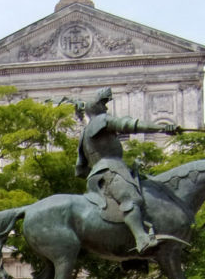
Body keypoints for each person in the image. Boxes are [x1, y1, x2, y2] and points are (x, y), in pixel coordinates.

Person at [74, 86, 181, 254]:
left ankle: (130, 256)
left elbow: (80, 169)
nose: (106, 108)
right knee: (131, 200)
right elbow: (129, 124)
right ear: (98, 108)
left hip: (97, 176)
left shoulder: (84, 134)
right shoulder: (102, 120)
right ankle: (142, 239)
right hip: (111, 168)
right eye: (104, 104)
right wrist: (160, 129)